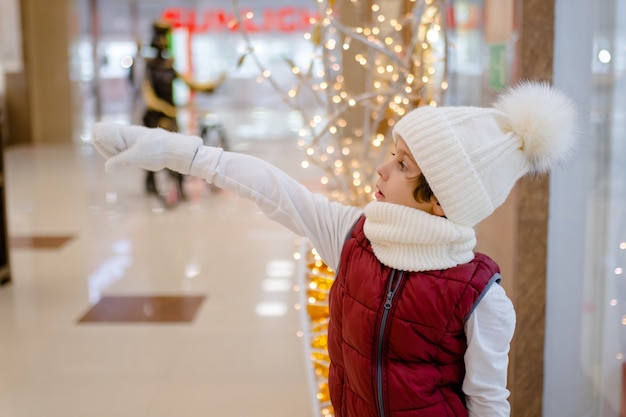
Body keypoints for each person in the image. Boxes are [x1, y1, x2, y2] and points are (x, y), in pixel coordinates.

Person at [91, 81, 579, 417]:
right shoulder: (356, 237)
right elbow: (273, 188)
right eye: (392, 153)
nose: (383, 170)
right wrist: (181, 153)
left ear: (442, 199)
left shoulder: (479, 296)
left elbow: (489, 403)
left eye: (404, 165)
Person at [140, 20, 226, 198]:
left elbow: (191, 84)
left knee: (176, 150)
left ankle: (179, 187)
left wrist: (212, 85)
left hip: (169, 115)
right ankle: (152, 184)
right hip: (154, 116)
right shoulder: (148, 67)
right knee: (152, 152)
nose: (163, 42)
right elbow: (148, 94)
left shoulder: (170, 66)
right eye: (161, 38)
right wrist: (164, 108)